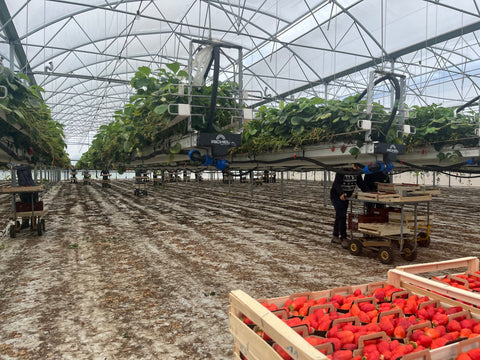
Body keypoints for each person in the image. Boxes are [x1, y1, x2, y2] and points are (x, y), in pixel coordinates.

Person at [330, 165, 368, 248]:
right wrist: (341, 193)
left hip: (346, 197)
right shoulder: (342, 170)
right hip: (337, 196)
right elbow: (336, 184)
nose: (355, 167)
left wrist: (369, 193)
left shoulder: (357, 172)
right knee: (342, 215)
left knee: (340, 215)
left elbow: (361, 184)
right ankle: (344, 238)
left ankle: (335, 236)